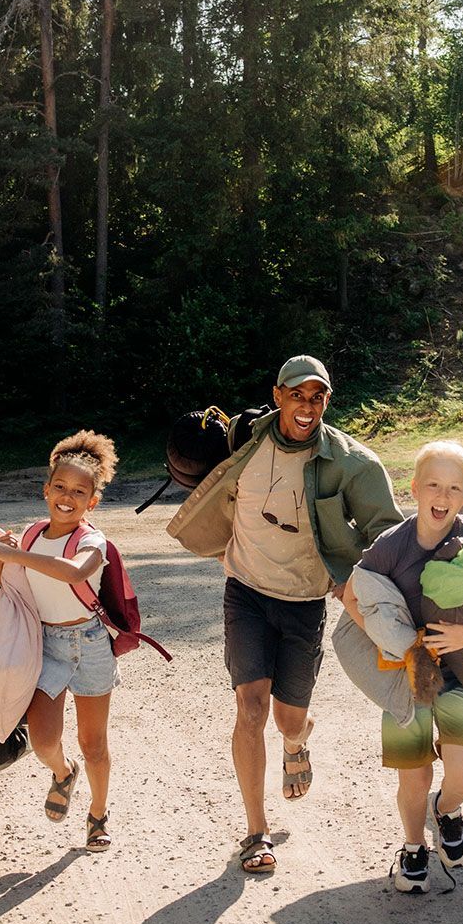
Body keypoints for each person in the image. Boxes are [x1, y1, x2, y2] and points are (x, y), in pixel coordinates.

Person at [167, 355, 402, 874]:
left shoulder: (350, 462)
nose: (308, 405)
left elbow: (387, 534)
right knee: (250, 708)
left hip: (304, 602)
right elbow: (201, 477)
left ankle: (297, 742)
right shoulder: (243, 442)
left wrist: (377, 596)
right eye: (298, 394)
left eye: (318, 397)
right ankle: (256, 831)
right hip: (246, 593)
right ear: (277, 396)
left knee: (286, 718)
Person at [343, 442, 463, 892]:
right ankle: (412, 850)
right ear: (414, 489)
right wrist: (398, 644)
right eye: (433, 484)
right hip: (407, 681)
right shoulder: (393, 545)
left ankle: (446, 811)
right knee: (415, 771)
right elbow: (352, 596)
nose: (442, 496)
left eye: (453, 487)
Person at [0, 431, 124, 852]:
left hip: (90, 644)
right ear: (46, 489)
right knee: (42, 742)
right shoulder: (31, 535)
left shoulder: (94, 541)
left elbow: (73, 573)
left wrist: (14, 555)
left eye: (79, 491)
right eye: (60, 487)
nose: (67, 497)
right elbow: (14, 588)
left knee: (94, 743)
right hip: (47, 644)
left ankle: (98, 814)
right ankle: (62, 773)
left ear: (92, 502)